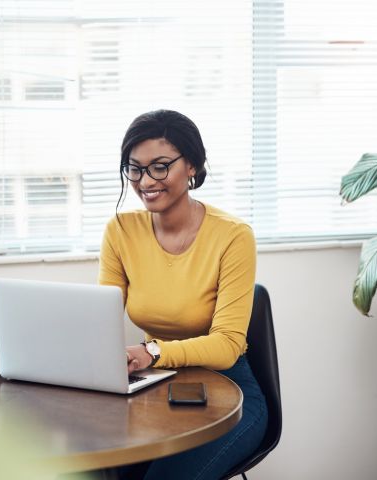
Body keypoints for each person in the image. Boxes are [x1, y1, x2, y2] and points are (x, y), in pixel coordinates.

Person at [98, 109, 268, 480]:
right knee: (98, 470)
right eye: (135, 168)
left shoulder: (233, 236)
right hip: (154, 390)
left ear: (192, 165)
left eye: (160, 166)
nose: (146, 181)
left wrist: (152, 352)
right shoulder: (121, 231)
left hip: (230, 396)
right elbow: (100, 320)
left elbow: (226, 346)